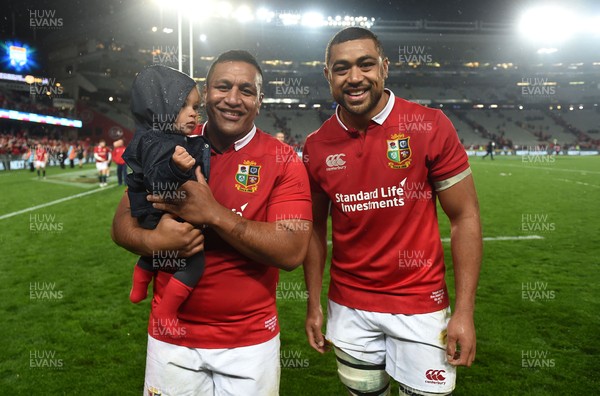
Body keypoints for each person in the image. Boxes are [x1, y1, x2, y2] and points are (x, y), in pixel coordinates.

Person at [111, 50, 312, 395]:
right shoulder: (170, 141)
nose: (233, 99)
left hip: (249, 343)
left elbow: (292, 250)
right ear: (205, 93)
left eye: (246, 90)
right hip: (171, 339)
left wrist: (214, 213)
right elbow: (121, 224)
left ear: (260, 100)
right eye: (223, 87)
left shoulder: (283, 161)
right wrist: (153, 243)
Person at [303, 27, 482, 396]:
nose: (355, 78)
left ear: (384, 67)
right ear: (327, 75)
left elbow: (465, 217)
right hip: (349, 307)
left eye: (365, 65)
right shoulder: (317, 146)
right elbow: (313, 230)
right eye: (341, 68)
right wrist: (313, 303)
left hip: (421, 305)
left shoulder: (430, 125)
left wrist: (464, 311)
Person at [123, 64, 211, 336]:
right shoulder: (159, 141)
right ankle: (166, 310)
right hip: (160, 212)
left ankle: (140, 280)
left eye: (195, 106)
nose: (193, 112)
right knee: (194, 263)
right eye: (184, 105)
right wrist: (174, 167)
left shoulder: (161, 136)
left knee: (156, 254)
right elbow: (154, 176)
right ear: (161, 105)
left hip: (154, 216)